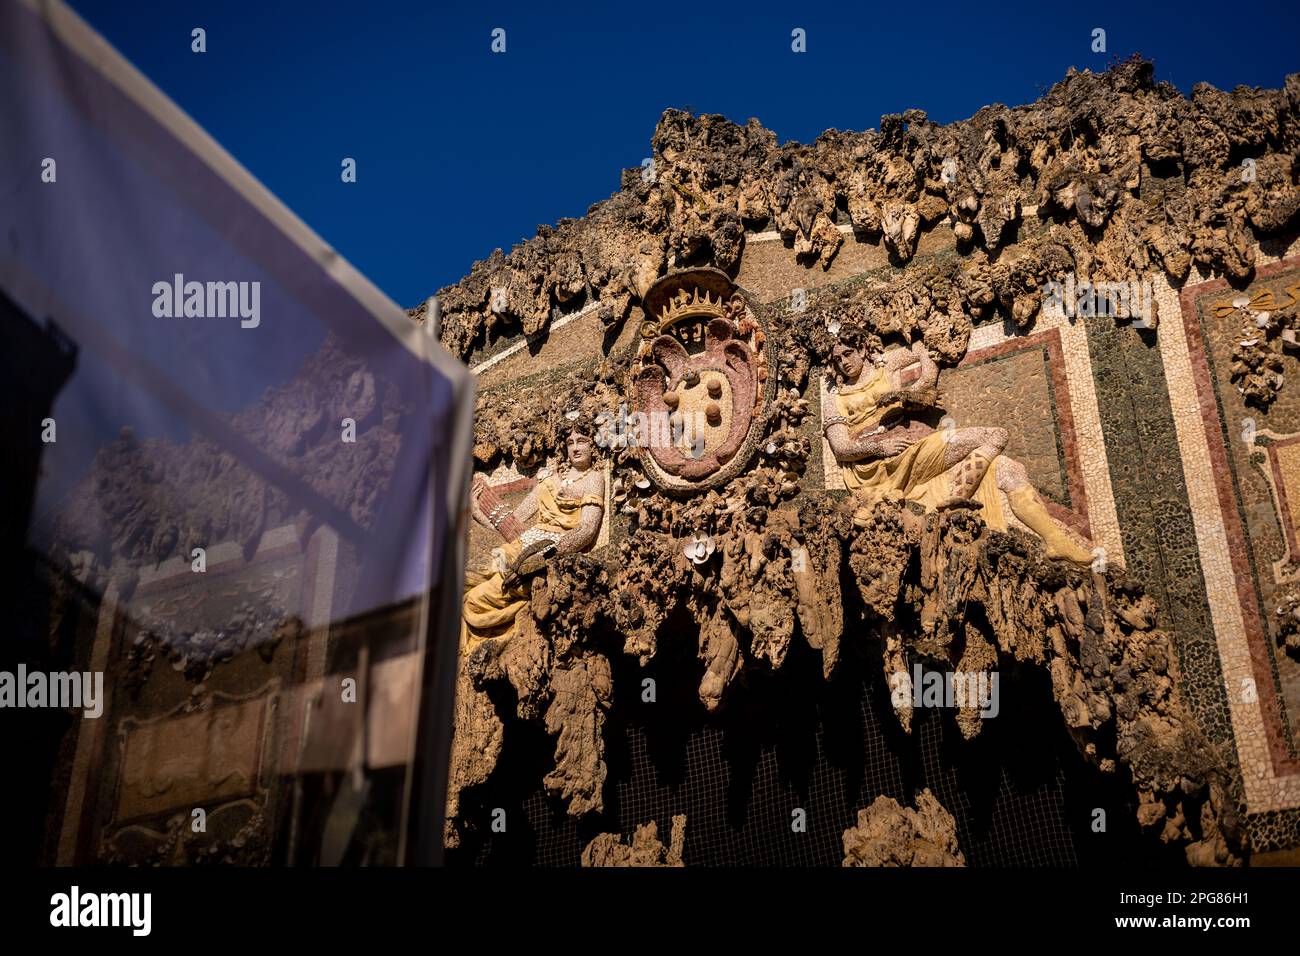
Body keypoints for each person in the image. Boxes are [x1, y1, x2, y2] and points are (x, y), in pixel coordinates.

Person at [822, 326, 1096, 566]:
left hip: (911, 451)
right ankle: (952, 508)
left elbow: (926, 353)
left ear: (861, 348)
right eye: (837, 360)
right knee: (995, 435)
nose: (843, 363)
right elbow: (841, 448)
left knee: (1009, 469)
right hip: (878, 469)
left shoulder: (887, 364)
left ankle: (1055, 540)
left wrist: (914, 386)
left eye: (847, 353)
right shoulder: (834, 399)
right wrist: (880, 449)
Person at [462, 421, 606, 649]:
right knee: (469, 583)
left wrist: (540, 561)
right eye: (570, 443)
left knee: (475, 600)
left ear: (593, 446)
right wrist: (477, 512)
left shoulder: (594, 479)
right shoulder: (548, 480)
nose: (575, 448)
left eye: (582, 441)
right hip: (519, 548)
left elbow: (587, 529)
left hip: (548, 554)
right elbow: (513, 520)